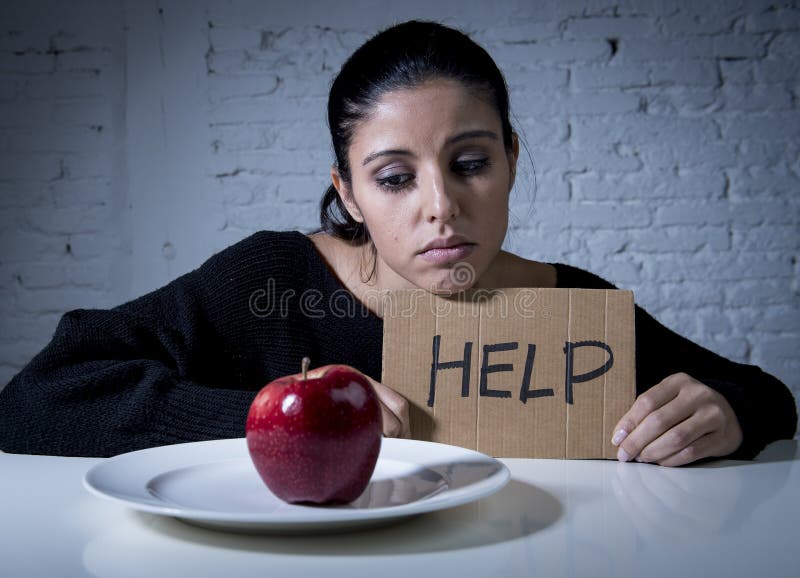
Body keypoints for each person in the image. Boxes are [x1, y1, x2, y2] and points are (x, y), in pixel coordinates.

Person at [0, 20, 795, 463]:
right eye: (393, 178)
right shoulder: (272, 283)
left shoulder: (565, 305)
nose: (441, 208)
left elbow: (767, 395)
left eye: (471, 164)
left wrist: (727, 410)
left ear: (512, 161)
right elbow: (34, 402)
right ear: (345, 190)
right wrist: (277, 417)